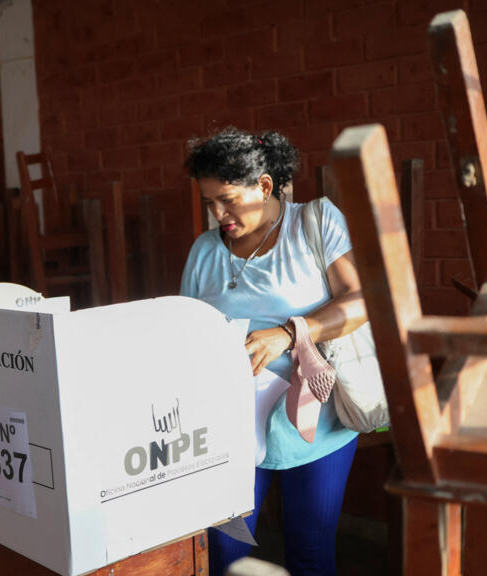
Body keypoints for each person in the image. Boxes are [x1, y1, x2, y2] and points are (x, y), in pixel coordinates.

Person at [180, 128, 368, 576]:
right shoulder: (204, 251)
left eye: (228, 200)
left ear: (264, 186)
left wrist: (288, 333)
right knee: (224, 552)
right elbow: (185, 334)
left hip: (317, 422)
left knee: (310, 552)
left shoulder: (315, 222)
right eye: (209, 203)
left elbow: (362, 300)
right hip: (231, 429)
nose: (219, 214)